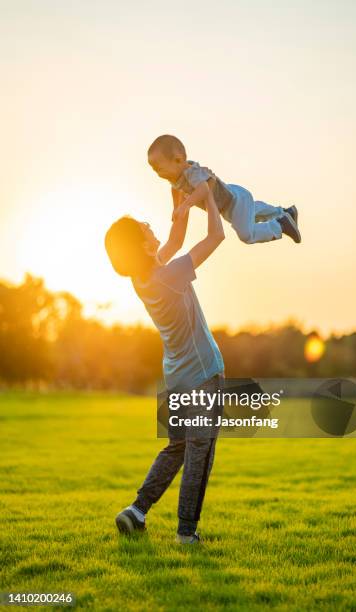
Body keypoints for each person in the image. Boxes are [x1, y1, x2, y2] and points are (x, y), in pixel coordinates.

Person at [104, 182, 225, 544]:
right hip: (204, 376)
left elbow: (174, 237)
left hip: (175, 380)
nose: (149, 225)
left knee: (176, 447)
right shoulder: (170, 275)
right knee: (199, 452)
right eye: (144, 227)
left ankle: (137, 511)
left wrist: (180, 197)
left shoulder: (144, 278)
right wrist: (208, 197)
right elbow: (217, 235)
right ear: (143, 246)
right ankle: (186, 533)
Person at [147, 134, 301, 245]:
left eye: (160, 168)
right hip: (233, 199)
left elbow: (204, 189)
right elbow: (176, 192)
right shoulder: (177, 181)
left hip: (234, 203)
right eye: (154, 170)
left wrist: (185, 206)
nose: (158, 174)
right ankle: (285, 212)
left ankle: (281, 225)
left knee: (246, 235)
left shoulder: (191, 172)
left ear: (178, 160)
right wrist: (176, 210)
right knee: (252, 213)